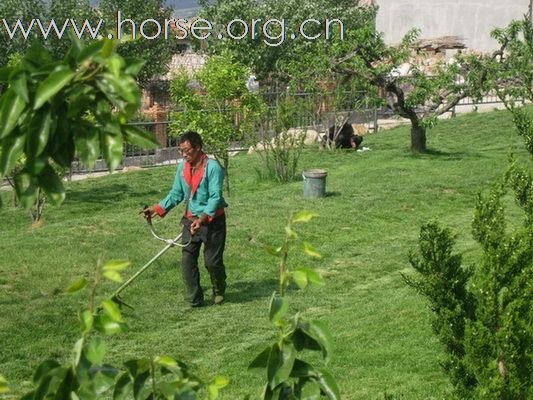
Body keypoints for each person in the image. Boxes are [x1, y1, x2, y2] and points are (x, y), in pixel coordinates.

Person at [144, 131, 228, 307]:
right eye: (181, 150)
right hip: (190, 219)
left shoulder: (213, 168)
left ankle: (219, 289)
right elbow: (176, 193)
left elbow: (215, 197)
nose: (184, 154)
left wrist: (203, 219)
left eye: (187, 150)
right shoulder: (182, 168)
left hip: (213, 221)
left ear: (198, 148)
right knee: (187, 261)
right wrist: (157, 209)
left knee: (212, 262)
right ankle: (195, 299)